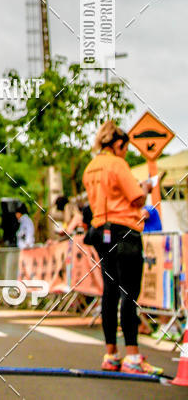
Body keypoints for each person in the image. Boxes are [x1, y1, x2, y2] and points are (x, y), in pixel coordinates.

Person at [82, 120, 163, 376]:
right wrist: (147, 187)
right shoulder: (117, 164)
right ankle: (133, 356)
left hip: (99, 231)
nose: (125, 153)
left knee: (110, 292)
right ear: (118, 144)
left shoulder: (90, 168)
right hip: (124, 230)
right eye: (125, 148)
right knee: (130, 292)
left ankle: (110, 355)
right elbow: (136, 197)